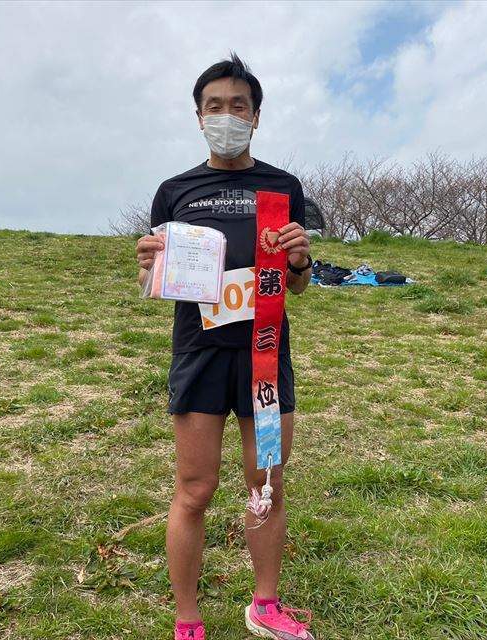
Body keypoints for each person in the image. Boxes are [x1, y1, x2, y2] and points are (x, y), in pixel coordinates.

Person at [136, 53, 314, 640]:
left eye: (239, 105)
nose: (227, 115)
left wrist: (300, 262)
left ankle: (265, 605)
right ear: (199, 116)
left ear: (256, 116)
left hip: (265, 354)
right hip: (200, 353)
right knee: (194, 490)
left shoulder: (283, 187)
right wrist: (149, 265)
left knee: (266, 486)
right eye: (214, 106)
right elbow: (153, 282)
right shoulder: (175, 191)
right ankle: (188, 620)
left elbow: (296, 285)